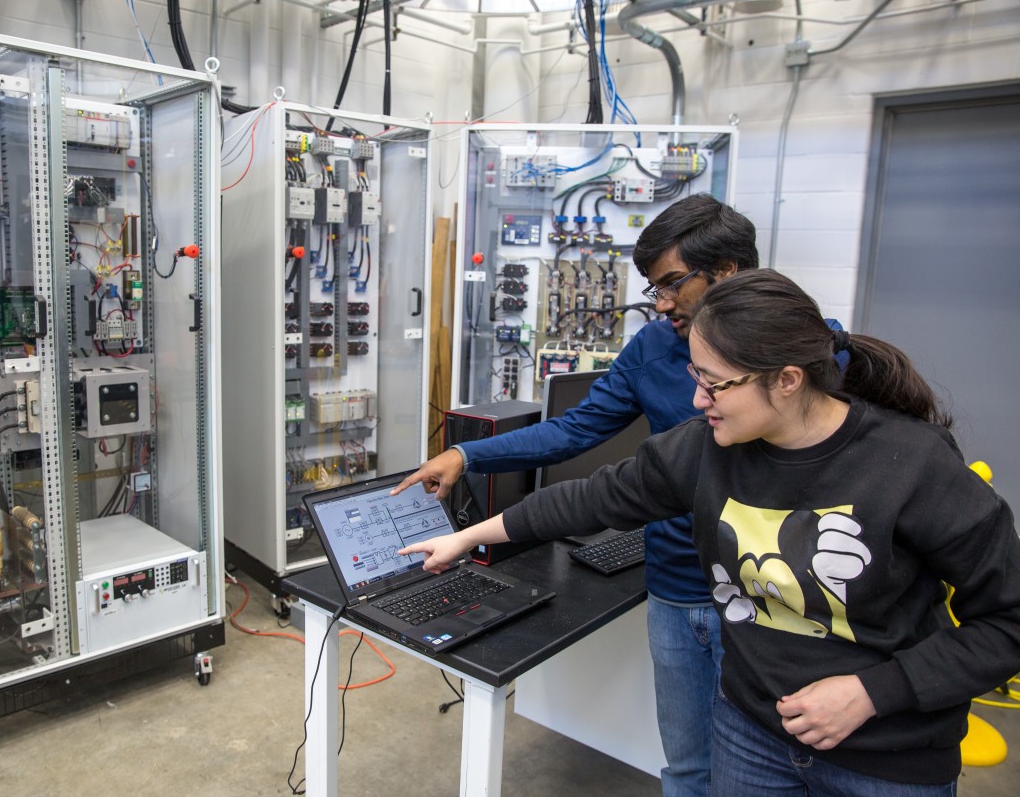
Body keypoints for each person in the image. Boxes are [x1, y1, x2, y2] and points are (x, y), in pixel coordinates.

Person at [401, 269, 1020, 795]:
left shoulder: (914, 464)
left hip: (888, 754)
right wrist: (471, 535)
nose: (698, 402)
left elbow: (1007, 621)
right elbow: (594, 498)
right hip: (751, 732)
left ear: (786, 378)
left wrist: (875, 691)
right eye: (696, 377)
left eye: (714, 384)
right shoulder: (702, 450)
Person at [395, 193, 839, 796]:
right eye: (653, 287)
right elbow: (578, 436)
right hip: (681, 587)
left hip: (777, 600)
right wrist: (466, 453)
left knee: (778, 772)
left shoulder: (815, 355)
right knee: (688, 765)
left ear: (729, 272)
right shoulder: (654, 349)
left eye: (673, 284)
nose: (661, 303)